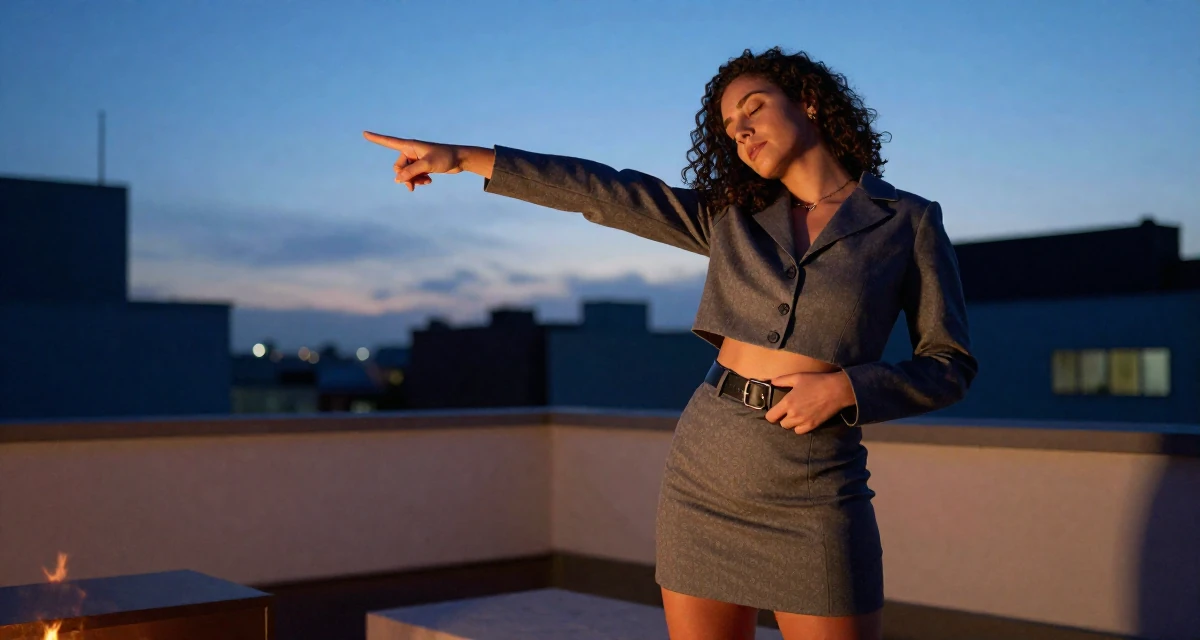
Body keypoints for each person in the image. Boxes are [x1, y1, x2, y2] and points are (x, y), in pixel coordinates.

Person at [363, 46, 977, 640]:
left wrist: (846, 387)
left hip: (818, 483)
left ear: (810, 102)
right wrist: (465, 158)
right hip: (705, 469)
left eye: (754, 108)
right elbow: (605, 192)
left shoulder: (907, 221)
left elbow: (948, 365)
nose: (740, 131)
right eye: (729, 126)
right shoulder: (731, 217)